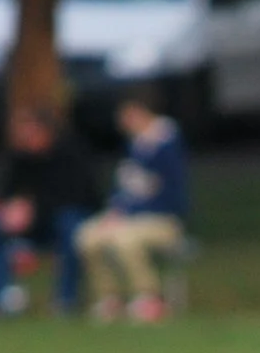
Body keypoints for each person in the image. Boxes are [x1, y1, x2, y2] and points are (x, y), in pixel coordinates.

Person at [77, 91, 190, 323]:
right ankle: (109, 297)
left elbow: (171, 195)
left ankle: (150, 297)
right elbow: (126, 188)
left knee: (123, 239)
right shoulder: (134, 146)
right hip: (130, 218)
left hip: (163, 220)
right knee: (87, 237)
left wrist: (128, 213)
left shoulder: (167, 145)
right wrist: (115, 211)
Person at [0, 102, 100, 316]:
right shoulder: (19, 158)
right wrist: (11, 209)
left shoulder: (72, 154)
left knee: (71, 227)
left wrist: (33, 209)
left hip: (62, 220)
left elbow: (80, 196)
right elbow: (7, 192)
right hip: (33, 224)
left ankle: (66, 299)